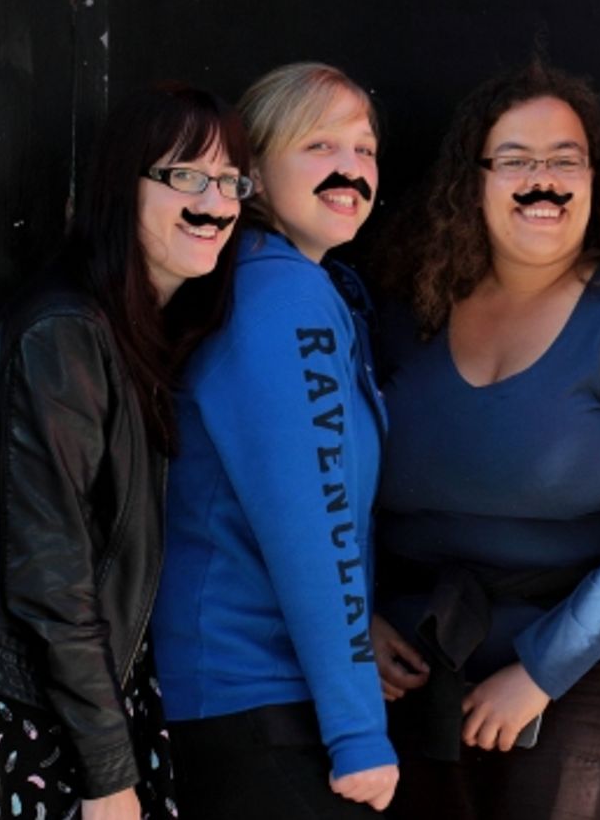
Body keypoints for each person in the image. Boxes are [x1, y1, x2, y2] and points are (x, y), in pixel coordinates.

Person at [0, 82, 250, 819]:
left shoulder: (130, 334)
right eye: (186, 175)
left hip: (69, 706)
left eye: (233, 179)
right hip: (11, 718)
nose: (218, 200)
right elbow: (51, 571)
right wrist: (108, 772)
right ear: (120, 187)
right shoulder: (65, 335)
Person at [371, 60, 600, 820]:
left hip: (588, 668)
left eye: (566, 160)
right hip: (414, 668)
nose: (544, 180)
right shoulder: (408, 310)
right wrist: (358, 615)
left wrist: (541, 671)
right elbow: (337, 483)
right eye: (517, 161)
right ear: (475, 179)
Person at [148, 62, 397, 818]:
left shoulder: (281, 282)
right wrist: (358, 728)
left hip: (242, 705)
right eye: (319, 145)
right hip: (257, 711)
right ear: (251, 171)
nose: (350, 168)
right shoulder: (283, 296)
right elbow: (311, 530)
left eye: (365, 148)